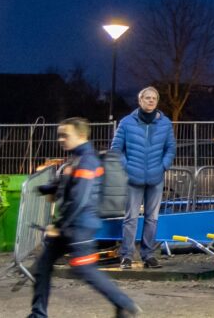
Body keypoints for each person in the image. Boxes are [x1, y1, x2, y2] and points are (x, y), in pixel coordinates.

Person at [30, 117, 140, 318]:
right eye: (59, 135)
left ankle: (124, 303)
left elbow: (80, 198)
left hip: (78, 226)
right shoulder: (77, 157)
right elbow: (67, 184)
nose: (61, 139)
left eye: (65, 135)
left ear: (81, 135)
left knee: (84, 269)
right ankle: (38, 314)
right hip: (71, 225)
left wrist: (59, 226)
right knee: (43, 266)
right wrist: (45, 188)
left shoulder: (87, 160)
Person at [109, 86, 175, 269]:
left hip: (156, 178)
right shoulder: (126, 123)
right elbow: (116, 148)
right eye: (147, 98)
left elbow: (170, 148)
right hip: (133, 178)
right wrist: (128, 167)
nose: (151, 101)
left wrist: (163, 166)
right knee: (130, 219)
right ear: (140, 101)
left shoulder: (165, 123)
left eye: (154, 98)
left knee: (152, 218)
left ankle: (148, 255)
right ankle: (127, 256)